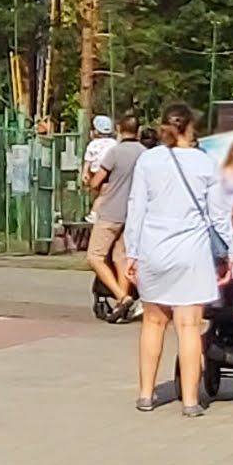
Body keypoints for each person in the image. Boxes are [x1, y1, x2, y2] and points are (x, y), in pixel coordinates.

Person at [121, 108, 229, 415]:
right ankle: (191, 400)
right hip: (192, 252)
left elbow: (136, 207)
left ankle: (145, 394)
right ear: (189, 128)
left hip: (153, 249)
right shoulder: (206, 163)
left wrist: (132, 251)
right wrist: (227, 252)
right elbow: (218, 214)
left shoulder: (148, 160)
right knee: (189, 326)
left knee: (153, 323)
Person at [83, 115, 143, 317]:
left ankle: (121, 296)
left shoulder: (115, 152)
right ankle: (123, 303)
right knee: (121, 257)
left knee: (95, 256)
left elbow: (95, 181)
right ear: (138, 130)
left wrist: (91, 180)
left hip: (111, 211)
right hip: (133, 213)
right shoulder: (145, 154)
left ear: (119, 128)